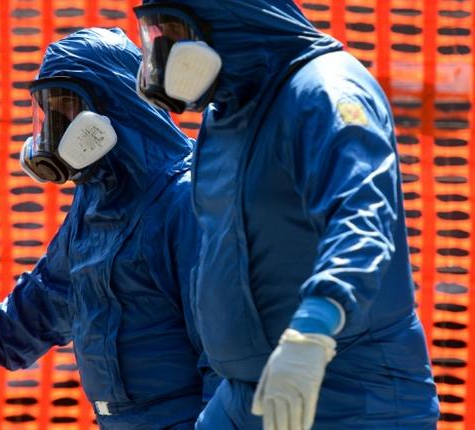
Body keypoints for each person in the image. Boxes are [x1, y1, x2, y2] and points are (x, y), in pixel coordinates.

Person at [132, 1, 439, 429]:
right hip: (249, 390)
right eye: (154, 36)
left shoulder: (325, 91)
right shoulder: (227, 117)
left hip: (349, 392)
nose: (163, 55)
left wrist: (312, 332)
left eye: (173, 33)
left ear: (225, 21)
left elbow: (361, 216)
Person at [0, 27, 218, 430]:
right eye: (48, 111)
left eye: (66, 109)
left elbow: (226, 349)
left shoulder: (185, 202)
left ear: (114, 108)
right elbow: (52, 292)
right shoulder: (98, 199)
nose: (54, 129)